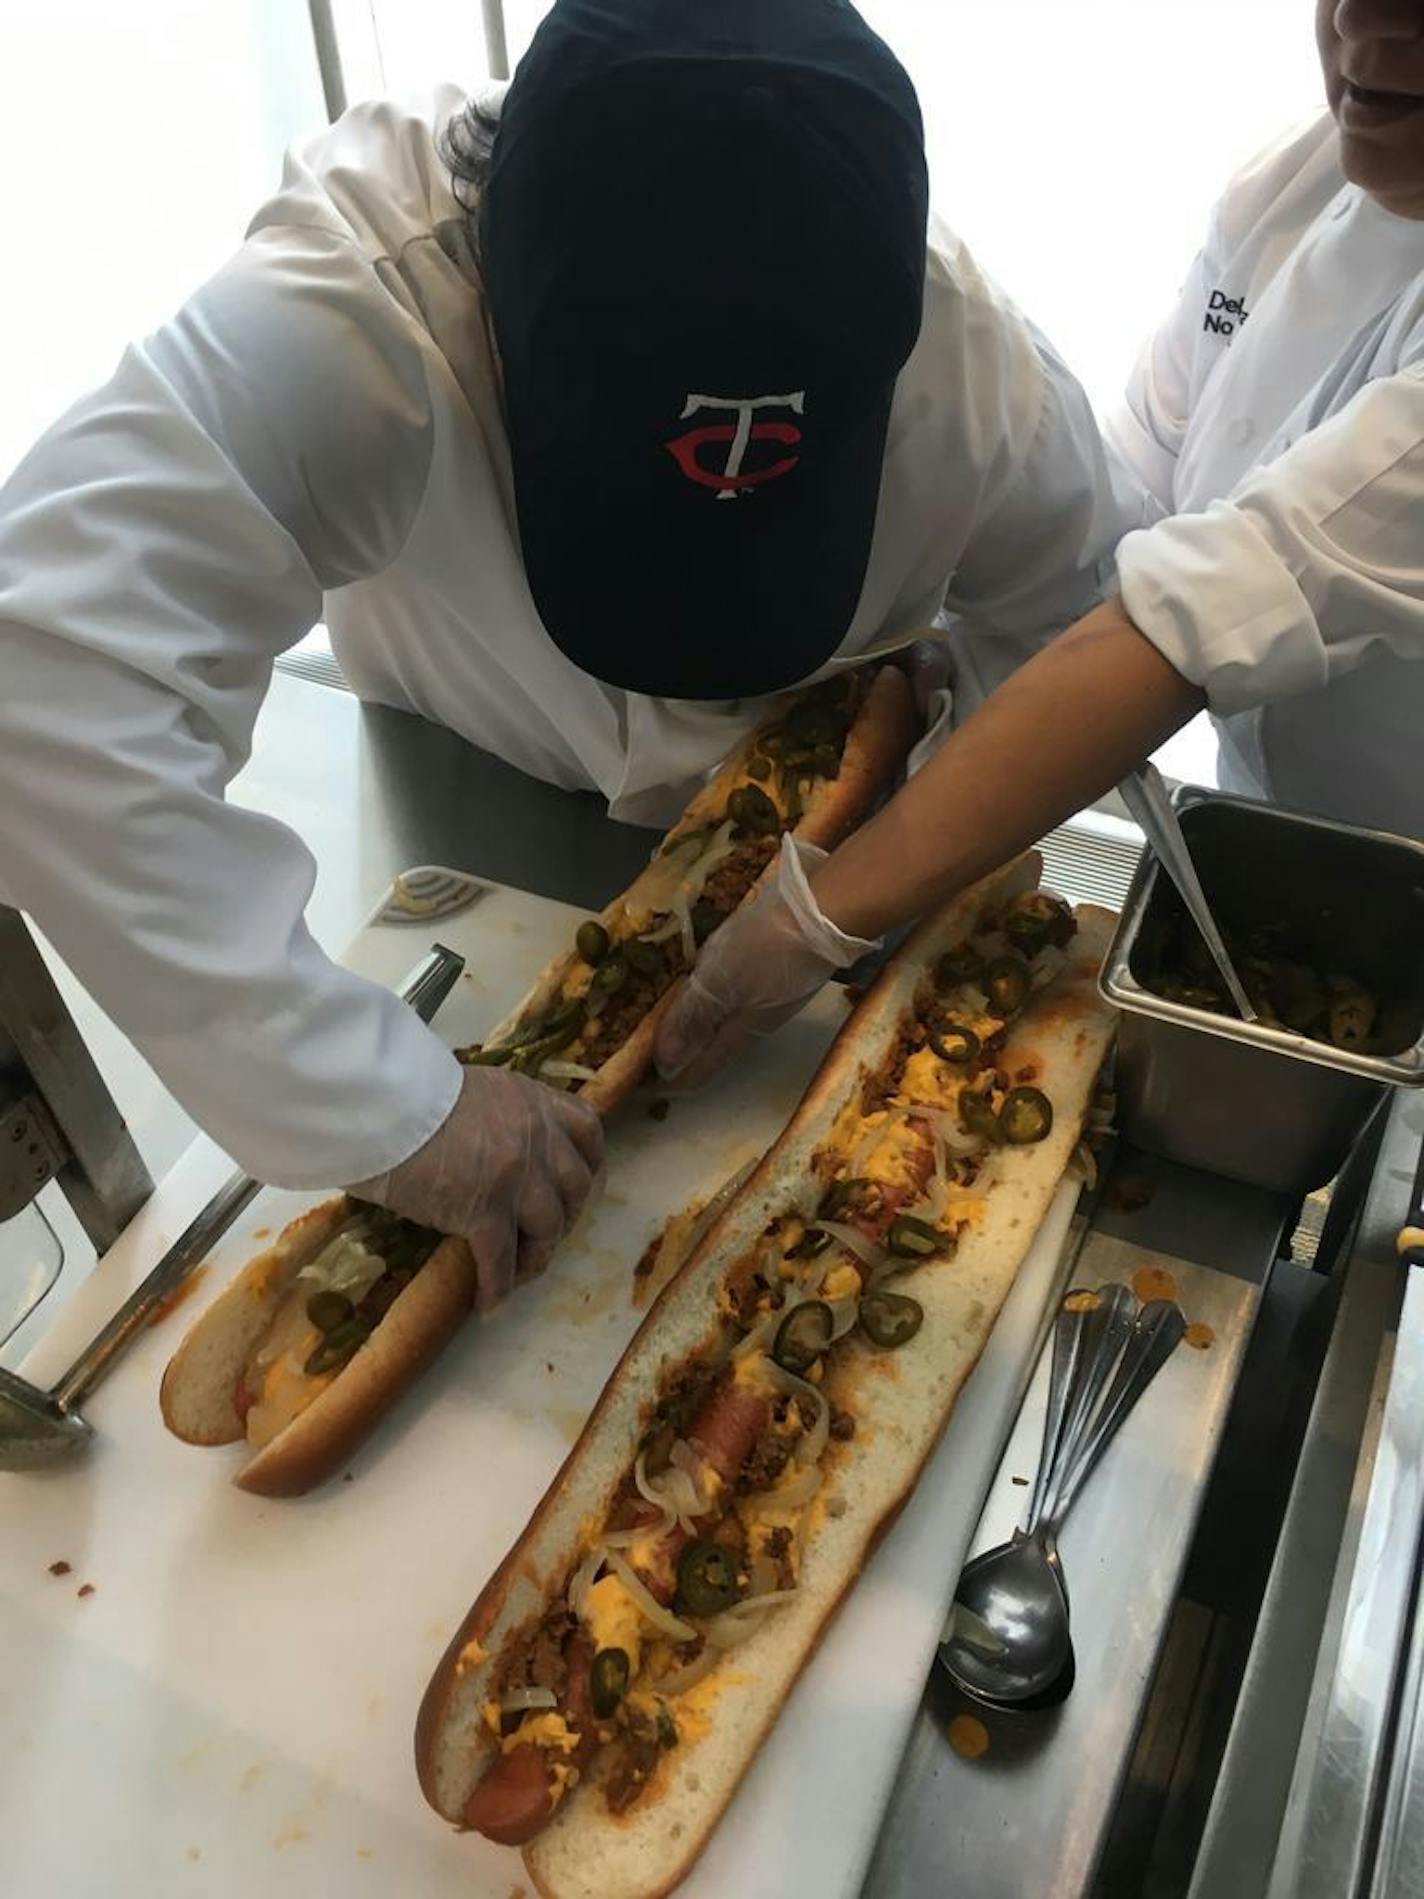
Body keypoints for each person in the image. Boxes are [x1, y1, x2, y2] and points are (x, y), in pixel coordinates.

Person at [0, 0, 1136, 1309]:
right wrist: (373, 1103)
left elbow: (1076, 647)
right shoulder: (353, 303)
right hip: (452, 804)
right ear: (490, 292)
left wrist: (886, 864)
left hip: (819, 874)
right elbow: (41, 674)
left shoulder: (987, 376)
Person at [654, 0, 1424, 1090]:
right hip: (1280, 844)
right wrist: (962, 641)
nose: (1359, 28)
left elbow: (1185, 623)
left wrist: (820, 913)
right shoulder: (1289, 185)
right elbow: (1129, 505)